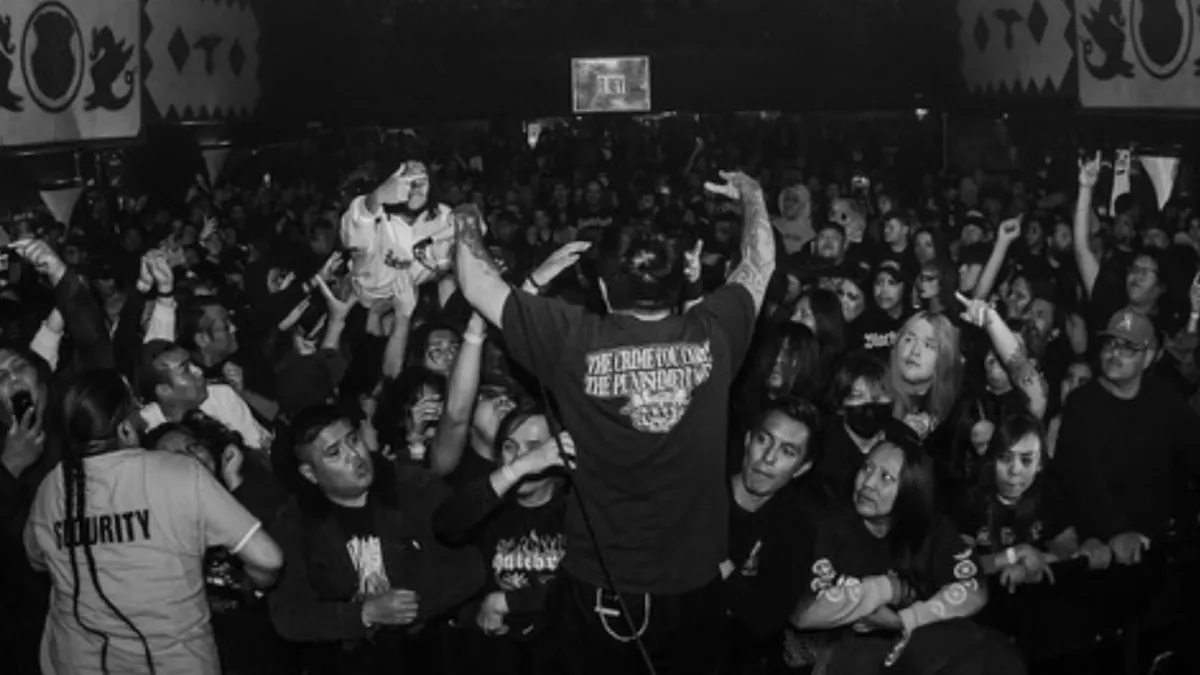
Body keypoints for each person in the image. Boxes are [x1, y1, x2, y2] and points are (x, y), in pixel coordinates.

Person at [449, 170, 774, 674]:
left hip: (603, 590)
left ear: (602, 287)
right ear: (678, 281)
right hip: (695, 588)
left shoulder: (572, 337)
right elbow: (758, 265)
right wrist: (752, 196)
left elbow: (475, 282)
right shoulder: (716, 330)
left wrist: (466, 218)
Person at [23, 369, 282, 674]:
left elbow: (37, 559)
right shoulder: (178, 472)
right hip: (169, 662)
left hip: (76, 661)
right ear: (124, 429)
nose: (143, 421)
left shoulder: (51, 487)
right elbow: (268, 558)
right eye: (135, 414)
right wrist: (255, 583)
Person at [266, 405, 483, 674]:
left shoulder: (415, 487)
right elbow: (288, 615)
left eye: (353, 439)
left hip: (426, 650)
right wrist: (363, 614)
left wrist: (411, 606)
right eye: (334, 453)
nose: (354, 455)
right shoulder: (294, 522)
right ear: (310, 473)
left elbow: (470, 566)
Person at [433, 401, 572, 675]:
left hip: (563, 652)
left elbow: (582, 592)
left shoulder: (575, 509)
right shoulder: (491, 505)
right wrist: (517, 469)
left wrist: (509, 602)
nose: (521, 457)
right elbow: (445, 526)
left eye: (535, 449)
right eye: (510, 447)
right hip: (500, 651)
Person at [722, 397, 823, 671]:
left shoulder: (796, 525)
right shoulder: (704, 495)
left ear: (802, 468)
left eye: (787, 451)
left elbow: (766, 620)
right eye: (763, 440)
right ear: (747, 440)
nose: (768, 458)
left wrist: (724, 567)